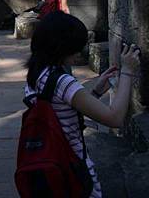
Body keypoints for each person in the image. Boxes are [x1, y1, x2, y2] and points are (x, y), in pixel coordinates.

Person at [22, 11, 141, 197]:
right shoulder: (63, 82)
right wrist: (127, 71)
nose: (78, 53)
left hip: (48, 159)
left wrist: (95, 92)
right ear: (61, 48)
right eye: (75, 47)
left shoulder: (37, 74)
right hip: (70, 166)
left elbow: (62, 111)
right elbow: (115, 118)